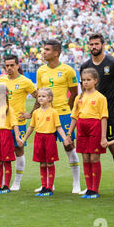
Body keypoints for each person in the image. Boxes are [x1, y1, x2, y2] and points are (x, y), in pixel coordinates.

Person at [80, 33, 114, 198]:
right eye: (91, 44)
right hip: (90, 116)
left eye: (96, 44)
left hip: (110, 111)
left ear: (103, 45)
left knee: (113, 146)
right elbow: (83, 89)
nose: (93, 47)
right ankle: (90, 187)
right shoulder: (85, 65)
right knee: (87, 152)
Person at [36, 39, 81, 194]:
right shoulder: (41, 70)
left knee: (68, 146)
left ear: (56, 52)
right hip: (44, 116)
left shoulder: (68, 70)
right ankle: (48, 184)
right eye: (44, 49)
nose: (44, 52)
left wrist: (66, 108)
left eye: (47, 50)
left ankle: (76, 183)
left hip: (63, 114)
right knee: (45, 150)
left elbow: (75, 92)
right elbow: (39, 94)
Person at [0, 55, 37, 191]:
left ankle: (17, 182)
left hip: (18, 123)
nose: (9, 68)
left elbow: (39, 96)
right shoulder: (0, 80)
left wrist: (30, 113)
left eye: (12, 65)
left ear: (18, 65)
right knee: (0, 153)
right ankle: (0, 183)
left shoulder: (25, 81)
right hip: (2, 123)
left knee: (18, 150)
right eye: (7, 65)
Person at [67, 68, 108, 199]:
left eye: (88, 80)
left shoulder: (100, 97)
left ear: (95, 81)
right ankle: (89, 188)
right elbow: (74, 116)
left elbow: (103, 117)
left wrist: (103, 137)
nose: (85, 82)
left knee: (94, 158)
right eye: (83, 80)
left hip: (94, 128)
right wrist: (69, 134)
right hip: (82, 128)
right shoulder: (79, 97)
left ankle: (95, 189)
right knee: (85, 158)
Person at [22, 88, 70, 197]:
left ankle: (50, 187)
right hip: (38, 138)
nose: (40, 98)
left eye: (43, 96)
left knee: (50, 163)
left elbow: (59, 127)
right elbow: (31, 127)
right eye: (39, 96)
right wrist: (24, 139)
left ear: (49, 98)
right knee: (42, 163)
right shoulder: (36, 112)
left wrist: (65, 138)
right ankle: (44, 186)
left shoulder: (53, 112)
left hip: (49, 139)